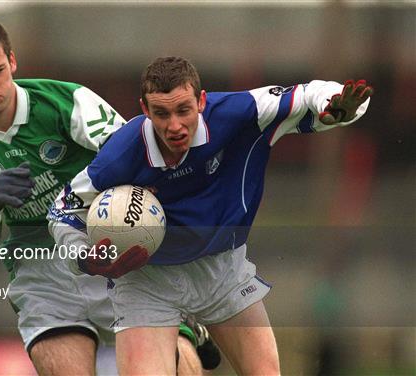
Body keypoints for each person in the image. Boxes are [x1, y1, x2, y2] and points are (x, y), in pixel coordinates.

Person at [48, 56, 373, 374]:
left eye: (183, 110)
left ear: (201, 101)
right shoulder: (120, 154)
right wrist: (85, 258)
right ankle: (187, 333)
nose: (174, 125)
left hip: (222, 270)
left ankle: (190, 331)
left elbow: (306, 95)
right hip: (146, 281)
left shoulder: (238, 113)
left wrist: (337, 105)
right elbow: (62, 212)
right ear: (145, 110)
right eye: (161, 113)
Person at [0, 18, 217, 375]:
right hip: (41, 271)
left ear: (12, 61)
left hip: (107, 245)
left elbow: (134, 150)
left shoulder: (65, 101)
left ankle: (181, 320)